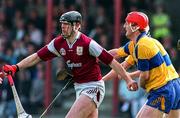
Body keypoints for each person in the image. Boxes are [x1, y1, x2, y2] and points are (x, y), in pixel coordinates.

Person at [0, 11, 138, 118]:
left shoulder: (88, 43)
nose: (63, 27)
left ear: (77, 26)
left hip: (93, 87)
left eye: (66, 24)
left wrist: (128, 79)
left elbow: (112, 62)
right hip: (79, 88)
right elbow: (37, 57)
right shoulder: (58, 43)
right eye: (62, 24)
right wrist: (15, 67)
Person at [103, 11, 180, 118]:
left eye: (127, 23)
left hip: (163, 89)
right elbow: (118, 59)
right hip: (173, 86)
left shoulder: (142, 45)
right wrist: (102, 79)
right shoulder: (136, 45)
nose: (124, 26)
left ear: (135, 27)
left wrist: (140, 86)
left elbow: (145, 75)